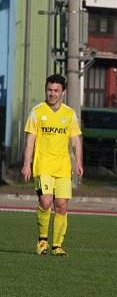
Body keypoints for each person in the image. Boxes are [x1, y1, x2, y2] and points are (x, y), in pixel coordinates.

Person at [21, 73, 83, 256]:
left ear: (63, 92)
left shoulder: (69, 114)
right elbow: (30, 140)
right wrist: (27, 163)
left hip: (63, 168)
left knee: (62, 205)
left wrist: (78, 161)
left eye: (56, 90)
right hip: (43, 167)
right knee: (46, 201)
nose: (52, 93)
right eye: (50, 90)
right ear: (46, 90)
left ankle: (57, 246)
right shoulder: (37, 112)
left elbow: (75, 140)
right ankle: (42, 240)